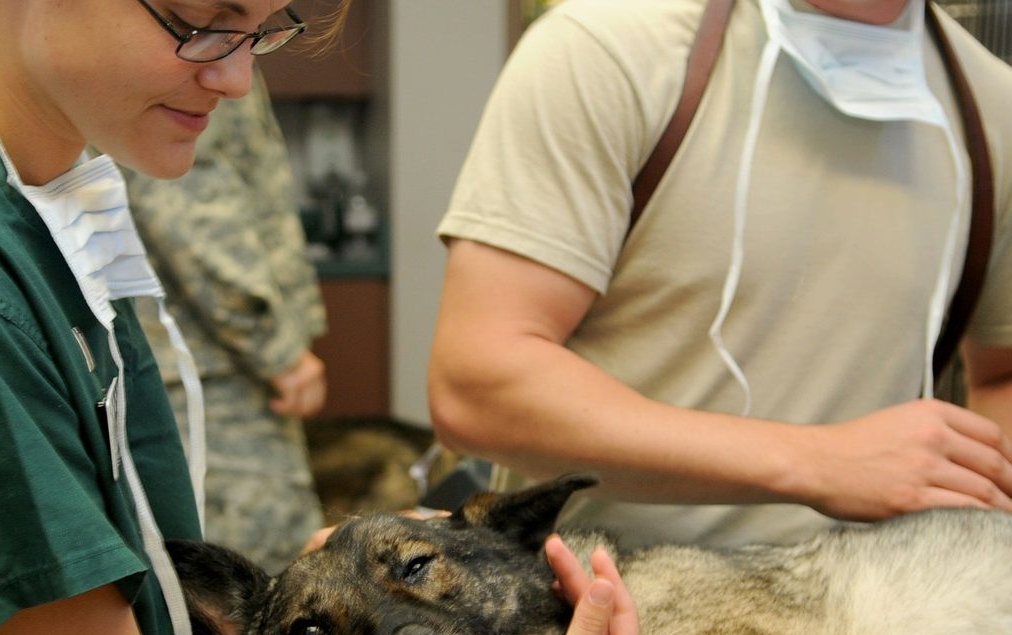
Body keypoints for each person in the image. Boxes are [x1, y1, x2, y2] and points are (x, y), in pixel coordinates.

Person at [0, 3, 640, 635]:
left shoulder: (64, 216)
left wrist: (372, 578)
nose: (237, 79)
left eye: (266, 33)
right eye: (201, 23)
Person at [429, 0, 1012, 550]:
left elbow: (999, 376)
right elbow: (477, 385)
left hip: (876, 618)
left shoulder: (995, 110)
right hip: (605, 613)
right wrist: (818, 461)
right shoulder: (610, 50)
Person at [123, 70, 328, 574]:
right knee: (259, 586)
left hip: (194, 361)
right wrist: (276, 348)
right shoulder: (196, 42)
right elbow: (188, 206)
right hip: (210, 371)